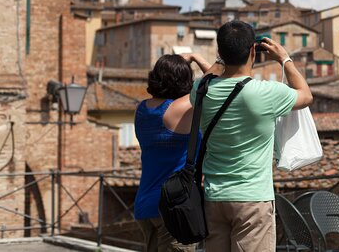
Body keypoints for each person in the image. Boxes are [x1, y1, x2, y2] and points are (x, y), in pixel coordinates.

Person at [189, 20, 313, 252]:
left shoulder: (200, 91)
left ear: (220, 53)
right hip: (253, 199)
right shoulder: (264, 93)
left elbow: (212, 76)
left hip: (213, 199)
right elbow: (305, 95)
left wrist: (222, 58)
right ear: (253, 51)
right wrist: (284, 59)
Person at [134, 53, 220, 252]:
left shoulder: (142, 110)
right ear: (185, 81)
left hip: (144, 204)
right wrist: (195, 57)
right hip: (174, 207)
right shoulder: (181, 108)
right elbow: (218, 81)